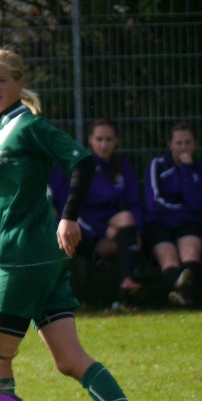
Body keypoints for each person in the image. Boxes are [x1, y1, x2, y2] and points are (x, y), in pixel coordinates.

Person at [0, 48, 164, 401]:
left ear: (19, 84)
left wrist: (69, 216)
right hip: (38, 259)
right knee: (69, 360)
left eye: (1, 80)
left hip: (26, 256)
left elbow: (81, 161)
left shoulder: (30, 126)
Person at [49, 117, 146, 310]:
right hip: (82, 234)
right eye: (99, 139)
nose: (104, 144)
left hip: (114, 233)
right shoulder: (82, 167)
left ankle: (127, 293)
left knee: (128, 220)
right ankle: (64, 301)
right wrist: (103, 229)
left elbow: (135, 204)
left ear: (116, 141)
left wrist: (138, 233)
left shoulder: (122, 166)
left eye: (109, 139)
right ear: (90, 141)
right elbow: (71, 209)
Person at [144, 121, 202, 307]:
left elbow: (196, 203)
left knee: (191, 253)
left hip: (189, 223)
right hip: (160, 223)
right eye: (178, 143)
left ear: (195, 144)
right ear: (170, 144)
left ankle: (182, 297)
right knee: (169, 258)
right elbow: (155, 204)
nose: (183, 147)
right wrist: (184, 210)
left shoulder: (201, 170)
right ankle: (185, 298)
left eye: (188, 142)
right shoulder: (156, 166)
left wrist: (186, 170)